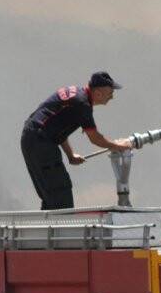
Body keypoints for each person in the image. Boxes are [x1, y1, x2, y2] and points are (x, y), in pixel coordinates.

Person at [21, 71, 133, 210]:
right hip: (40, 142)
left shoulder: (78, 95)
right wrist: (119, 145)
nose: (112, 97)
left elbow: (58, 129)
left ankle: (51, 223)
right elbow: (95, 138)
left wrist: (70, 155)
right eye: (110, 92)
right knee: (60, 195)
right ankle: (60, 224)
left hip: (32, 138)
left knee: (52, 196)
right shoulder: (83, 104)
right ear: (98, 93)